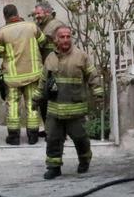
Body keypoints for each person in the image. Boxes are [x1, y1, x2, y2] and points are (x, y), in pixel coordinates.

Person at [36, 25, 103, 179]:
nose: (66, 40)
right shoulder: (50, 58)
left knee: (80, 139)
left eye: (68, 36)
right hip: (54, 110)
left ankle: (84, 160)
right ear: (55, 40)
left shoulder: (81, 57)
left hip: (75, 110)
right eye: (62, 37)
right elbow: (43, 81)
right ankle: (54, 167)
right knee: (53, 139)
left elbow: (93, 77)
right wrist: (36, 98)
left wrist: (98, 95)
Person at [0, 4, 47, 145]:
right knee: (32, 104)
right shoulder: (31, 27)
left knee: (12, 106)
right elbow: (43, 41)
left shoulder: (1, 32)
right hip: (33, 74)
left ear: (5, 16)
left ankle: (14, 137)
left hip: (12, 76)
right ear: (17, 13)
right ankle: (33, 137)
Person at [33, 2, 63, 135]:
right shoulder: (39, 25)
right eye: (36, 13)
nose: (36, 16)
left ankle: (58, 130)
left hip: (55, 69)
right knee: (44, 100)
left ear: (47, 13)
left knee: (55, 99)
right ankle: (48, 129)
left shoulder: (56, 25)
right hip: (44, 68)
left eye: (38, 13)